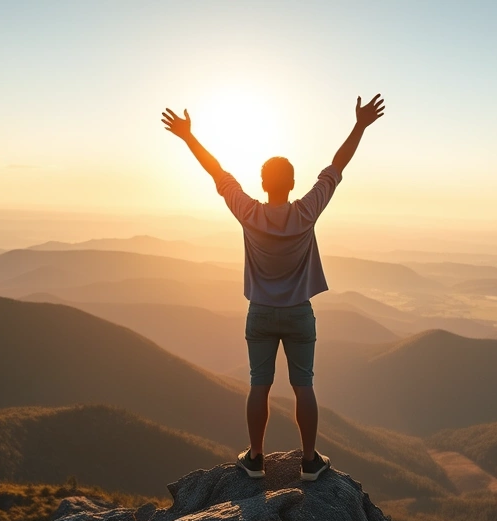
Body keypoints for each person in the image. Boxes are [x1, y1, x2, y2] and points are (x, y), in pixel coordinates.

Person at [161, 94, 386, 481]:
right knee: (304, 387)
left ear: (263, 183)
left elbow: (216, 171)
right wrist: (360, 126)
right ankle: (310, 462)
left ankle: (255, 459)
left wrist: (188, 137)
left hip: (260, 313)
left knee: (258, 386)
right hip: (299, 312)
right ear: (293, 183)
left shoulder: (248, 213)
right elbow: (336, 166)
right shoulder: (306, 211)